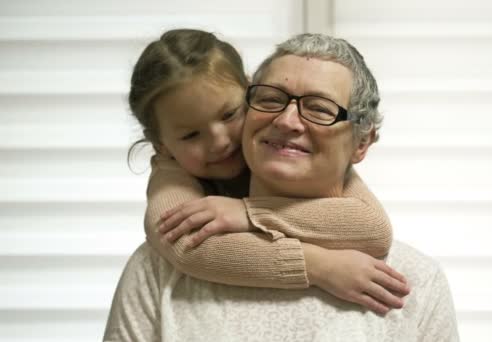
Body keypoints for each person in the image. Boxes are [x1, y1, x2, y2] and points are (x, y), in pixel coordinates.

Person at [104, 32, 459, 341]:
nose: (287, 121)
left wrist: (249, 213)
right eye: (272, 99)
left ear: (362, 142)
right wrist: (316, 265)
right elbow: (184, 245)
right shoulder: (162, 260)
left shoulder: (414, 282)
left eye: (320, 109)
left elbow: (374, 230)